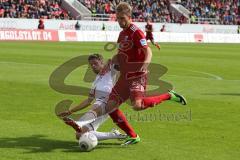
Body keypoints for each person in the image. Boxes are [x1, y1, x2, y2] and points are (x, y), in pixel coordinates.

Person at [63, 2, 187, 145]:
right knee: (110, 106)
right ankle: (133, 136)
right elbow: (119, 54)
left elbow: (148, 51)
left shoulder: (136, 32)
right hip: (124, 76)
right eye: (118, 18)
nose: (120, 21)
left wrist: (144, 65)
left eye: (123, 18)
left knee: (137, 106)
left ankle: (168, 95)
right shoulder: (122, 34)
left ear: (129, 17)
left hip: (137, 75)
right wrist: (110, 62)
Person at [58, 54, 139, 143]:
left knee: (95, 108)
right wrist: (70, 111)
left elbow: (118, 61)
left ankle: (79, 123)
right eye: (91, 65)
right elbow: (89, 100)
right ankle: (114, 135)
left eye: (95, 63)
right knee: (80, 135)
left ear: (102, 63)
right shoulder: (95, 82)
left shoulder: (110, 71)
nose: (93, 66)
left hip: (108, 103)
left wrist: (110, 61)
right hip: (101, 107)